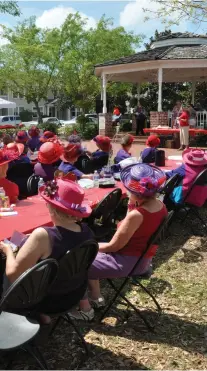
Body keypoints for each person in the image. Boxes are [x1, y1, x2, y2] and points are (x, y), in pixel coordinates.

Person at [69, 163, 167, 321]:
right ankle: (97, 297)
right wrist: (131, 204)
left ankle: (85, 309)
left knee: (77, 262)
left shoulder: (137, 215)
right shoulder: (160, 206)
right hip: (142, 258)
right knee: (87, 255)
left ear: (134, 191)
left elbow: (113, 246)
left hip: (128, 261)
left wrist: (87, 247)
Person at [0, 179, 95, 322]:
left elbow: (13, 275)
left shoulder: (43, 236)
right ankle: (41, 317)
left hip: (45, 300)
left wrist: (7, 250)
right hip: (74, 293)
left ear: (51, 207)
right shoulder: (87, 231)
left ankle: (26, 315)